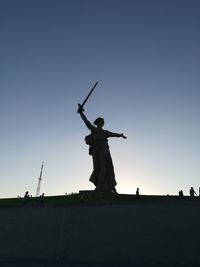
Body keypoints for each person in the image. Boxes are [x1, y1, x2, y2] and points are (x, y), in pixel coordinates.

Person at [78, 104, 127, 193]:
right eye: (102, 121)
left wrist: (120, 135)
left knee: (105, 166)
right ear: (99, 122)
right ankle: (99, 185)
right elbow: (86, 122)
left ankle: (105, 186)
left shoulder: (105, 132)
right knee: (98, 167)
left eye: (103, 121)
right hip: (96, 149)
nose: (103, 122)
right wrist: (81, 113)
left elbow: (114, 134)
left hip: (104, 149)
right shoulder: (94, 129)